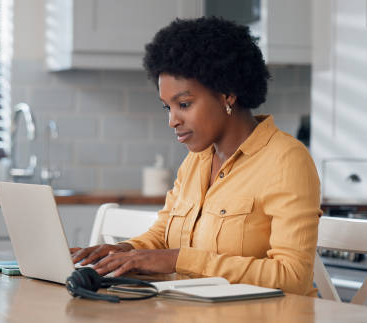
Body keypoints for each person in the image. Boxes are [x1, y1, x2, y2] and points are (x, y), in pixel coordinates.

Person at [71, 16, 322, 296]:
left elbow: (293, 276)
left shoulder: (286, 160)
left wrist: (178, 259)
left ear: (228, 95)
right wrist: (124, 251)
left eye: (184, 104)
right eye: (168, 107)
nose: (173, 120)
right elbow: (164, 232)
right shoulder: (197, 159)